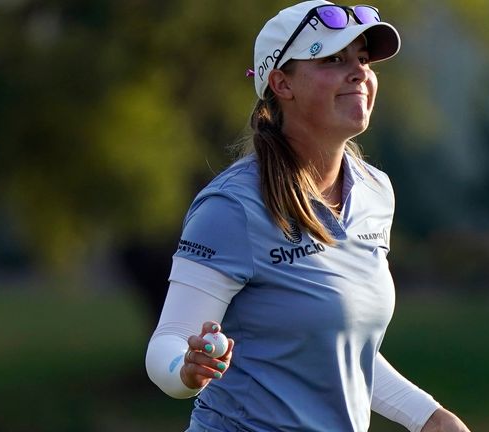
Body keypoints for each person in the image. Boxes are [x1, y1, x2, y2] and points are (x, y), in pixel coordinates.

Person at [145, 1, 471, 431]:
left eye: (362, 59)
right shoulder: (232, 207)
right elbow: (166, 344)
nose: (358, 72)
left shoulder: (375, 192)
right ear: (281, 83)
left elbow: (341, 352)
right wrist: (187, 371)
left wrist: (429, 417)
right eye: (334, 59)